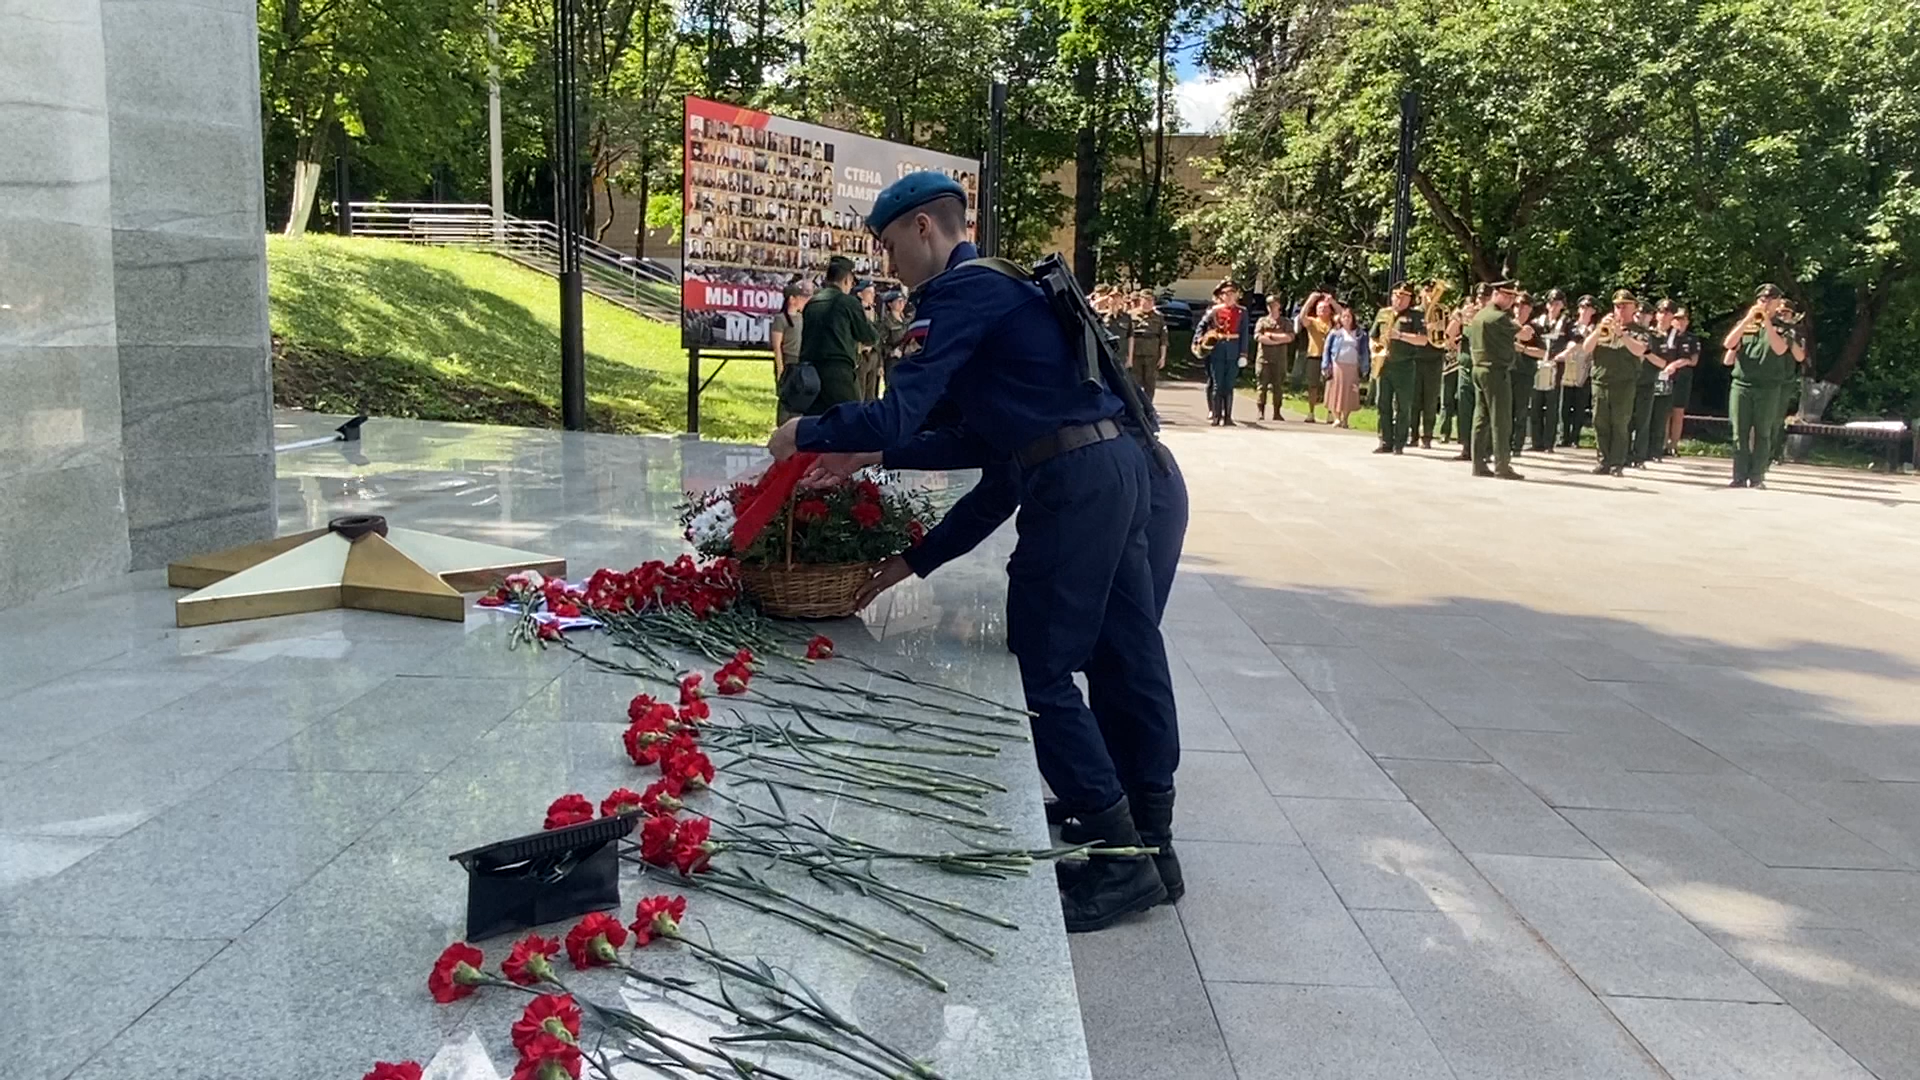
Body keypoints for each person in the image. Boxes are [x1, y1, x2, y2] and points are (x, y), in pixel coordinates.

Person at [766, 171, 1178, 932]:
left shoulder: (961, 293)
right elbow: (979, 446)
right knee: (1128, 653)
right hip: (1113, 464)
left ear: (926, 227)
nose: (889, 265)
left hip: (1075, 479)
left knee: (1045, 666)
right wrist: (881, 483)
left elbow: (900, 414)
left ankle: (1121, 858)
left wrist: (809, 432)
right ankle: (1151, 845)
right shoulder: (1005, 287)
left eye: (891, 246)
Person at [1722, 283, 1805, 488]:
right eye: (1762, 300)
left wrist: (1767, 323)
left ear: (1777, 303)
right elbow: (1728, 343)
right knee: (1739, 432)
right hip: (1742, 384)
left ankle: (1757, 476)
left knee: (1763, 432)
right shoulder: (1747, 323)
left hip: (1768, 387)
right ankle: (1739, 475)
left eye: (1770, 300)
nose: (1765, 303)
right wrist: (1748, 320)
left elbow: (1778, 349)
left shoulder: (1785, 328)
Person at [795, 256, 877, 413]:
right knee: (850, 419)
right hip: (838, 373)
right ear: (847, 279)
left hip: (811, 373)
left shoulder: (811, 304)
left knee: (815, 422)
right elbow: (870, 336)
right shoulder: (848, 303)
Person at [1583, 289, 1650, 475]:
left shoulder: (1639, 331)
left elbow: (1639, 350)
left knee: (1620, 423)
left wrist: (1622, 334)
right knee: (1599, 422)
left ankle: (1617, 463)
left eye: (1624, 306)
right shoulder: (1602, 327)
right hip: (1600, 380)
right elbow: (1587, 348)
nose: (1619, 310)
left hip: (1624, 383)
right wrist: (1598, 330)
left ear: (1634, 308)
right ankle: (1603, 461)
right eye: (1617, 306)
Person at [1465, 280, 1524, 479]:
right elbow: (1521, 332)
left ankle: (1478, 463)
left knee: (1481, 417)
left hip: (1478, 368)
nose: (1510, 301)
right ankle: (1502, 465)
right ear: (1496, 294)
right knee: (1501, 419)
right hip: (1495, 371)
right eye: (1507, 296)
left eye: (1512, 298)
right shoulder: (1499, 318)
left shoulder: (1479, 315)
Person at [1372, 282, 1426, 454]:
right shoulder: (1383, 313)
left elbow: (1423, 340)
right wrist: (1375, 352)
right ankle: (1385, 440)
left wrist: (1400, 336)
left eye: (1404, 296)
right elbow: (1373, 336)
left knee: (1403, 405)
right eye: (1397, 295)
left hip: (1404, 365)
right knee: (1382, 403)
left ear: (1410, 299)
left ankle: (1400, 442)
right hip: (1384, 364)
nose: (1400, 299)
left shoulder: (1416, 316)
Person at [1529, 288, 1575, 452]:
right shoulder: (1537, 322)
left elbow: (1573, 341)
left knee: (1552, 405)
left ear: (1562, 305)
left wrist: (1565, 353)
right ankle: (1536, 442)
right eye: (1550, 303)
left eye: (1557, 303)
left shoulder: (1567, 323)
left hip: (1555, 366)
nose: (1553, 306)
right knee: (1535, 405)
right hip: (1537, 365)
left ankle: (1549, 443)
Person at [1196, 280, 1247, 426]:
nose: (1229, 297)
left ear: (1236, 296)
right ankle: (1216, 416)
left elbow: (1243, 334)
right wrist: (1199, 340)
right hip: (1218, 349)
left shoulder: (1242, 312)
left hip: (1233, 350)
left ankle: (1228, 417)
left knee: (1229, 385)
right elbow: (1201, 325)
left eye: (1232, 294)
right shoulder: (1215, 311)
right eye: (1226, 294)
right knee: (1217, 384)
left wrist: (1243, 354)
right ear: (1222, 296)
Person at [1444, 289, 1485, 454]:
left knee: (1481, 408)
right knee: (1464, 407)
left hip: (1483, 369)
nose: (1481, 302)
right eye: (1479, 298)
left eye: (1485, 298)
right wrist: (1460, 316)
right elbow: (1449, 334)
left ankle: (1483, 448)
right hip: (1466, 369)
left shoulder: (1490, 318)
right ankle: (1466, 446)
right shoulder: (1467, 318)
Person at [1413, 281, 1451, 448]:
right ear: (1421, 293)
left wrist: (1441, 327)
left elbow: (1449, 335)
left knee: (1430, 400)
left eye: (1433, 291)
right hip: (1416, 358)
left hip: (1434, 358)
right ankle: (1412, 434)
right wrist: (1427, 327)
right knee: (1414, 399)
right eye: (1427, 290)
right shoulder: (1415, 313)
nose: (1430, 294)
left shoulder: (1442, 311)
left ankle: (1427, 435)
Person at [1660, 307, 1701, 456]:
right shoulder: (1667, 336)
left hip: (1682, 377)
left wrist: (1679, 363)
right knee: (1664, 411)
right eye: (1676, 319)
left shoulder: (1691, 338)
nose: (1679, 322)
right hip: (1666, 376)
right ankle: (1662, 443)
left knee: (1678, 411)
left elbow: (1694, 360)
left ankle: (1674, 445)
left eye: (1682, 319)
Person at [1560, 294, 1599, 448]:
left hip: (1586, 368)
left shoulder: (1595, 329)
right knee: (1564, 405)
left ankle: (1575, 437)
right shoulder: (1569, 326)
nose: (1584, 310)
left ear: (1593, 311)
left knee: (1580, 405)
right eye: (1582, 307)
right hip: (1569, 367)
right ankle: (1563, 436)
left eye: (1587, 307)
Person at [1321, 305, 1369, 427]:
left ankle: (1345, 419)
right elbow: (1326, 349)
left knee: (1349, 393)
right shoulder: (1335, 333)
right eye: (1344, 316)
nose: (1346, 319)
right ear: (1340, 319)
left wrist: (1364, 367)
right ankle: (1336, 417)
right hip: (1338, 365)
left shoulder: (1360, 334)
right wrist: (1325, 365)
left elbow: (1364, 352)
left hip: (1352, 366)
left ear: (1353, 318)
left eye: (1349, 316)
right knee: (1336, 391)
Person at [1508, 292, 1542, 458]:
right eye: (1516, 305)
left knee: (1520, 411)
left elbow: (1542, 353)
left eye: (1523, 305)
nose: (1519, 309)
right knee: (1505, 410)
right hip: (1507, 372)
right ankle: (1503, 443)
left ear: (1530, 308)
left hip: (1524, 373)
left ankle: (1517, 445)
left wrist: (1523, 349)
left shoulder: (1534, 328)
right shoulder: (1506, 324)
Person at [768, 282, 808, 423]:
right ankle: (782, 426)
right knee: (786, 397)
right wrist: (780, 367)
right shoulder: (781, 319)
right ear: (791, 299)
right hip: (788, 359)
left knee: (800, 396)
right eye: (799, 297)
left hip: (801, 361)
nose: (802, 300)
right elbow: (777, 346)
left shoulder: (802, 318)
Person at [1254, 299, 1296, 421]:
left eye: (1275, 305)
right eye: (1270, 305)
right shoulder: (1262, 321)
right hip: (1264, 359)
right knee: (1262, 386)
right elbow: (1258, 336)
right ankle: (1260, 411)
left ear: (1279, 306)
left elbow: (1290, 337)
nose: (1272, 307)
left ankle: (1277, 412)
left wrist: (1271, 336)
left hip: (1279, 360)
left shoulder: (1285, 322)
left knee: (1278, 387)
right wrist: (1277, 341)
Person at [1295, 293, 1333, 422]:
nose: (1323, 310)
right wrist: (1310, 300)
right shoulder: (1312, 322)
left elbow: (1343, 314)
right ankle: (1311, 412)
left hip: (1330, 359)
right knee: (1313, 386)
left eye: (1325, 307)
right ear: (1316, 310)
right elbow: (1301, 317)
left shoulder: (1333, 322)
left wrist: (1332, 301)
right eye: (1320, 308)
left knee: (1329, 386)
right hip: (1314, 356)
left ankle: (1330, 413)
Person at [1128, 290, 1167, 403]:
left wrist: (1163, 357)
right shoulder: (1131, 315)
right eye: (1145, 300)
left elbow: (1163, 338)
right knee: (1135, 382)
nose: (1148, 303)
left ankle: (1148, 406)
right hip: (1135, 353)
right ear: (1140, 300)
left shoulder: (1159, 317)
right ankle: (1136, 406)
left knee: (1150, 383)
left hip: (1152, 354)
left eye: (1151, 301)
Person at [876, 289, 912, 389]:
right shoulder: (886, 323)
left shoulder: (905, 321)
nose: (902, 304)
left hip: (905, 358)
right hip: (892, 360)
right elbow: (880, 344)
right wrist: (890, 353)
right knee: (891, 388)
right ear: (890, 304)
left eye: (903, 301)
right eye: (898, 301)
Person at [854, 279, 883, 400]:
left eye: (873, 292)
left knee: (871, 392)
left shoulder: (874, 313)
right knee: (860, 390)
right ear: (860, 294)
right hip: (861, 354)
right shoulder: (855, 311)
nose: (873, 295)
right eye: (869, 292)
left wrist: (880, 363)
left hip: (873, 354)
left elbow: (879, 336)